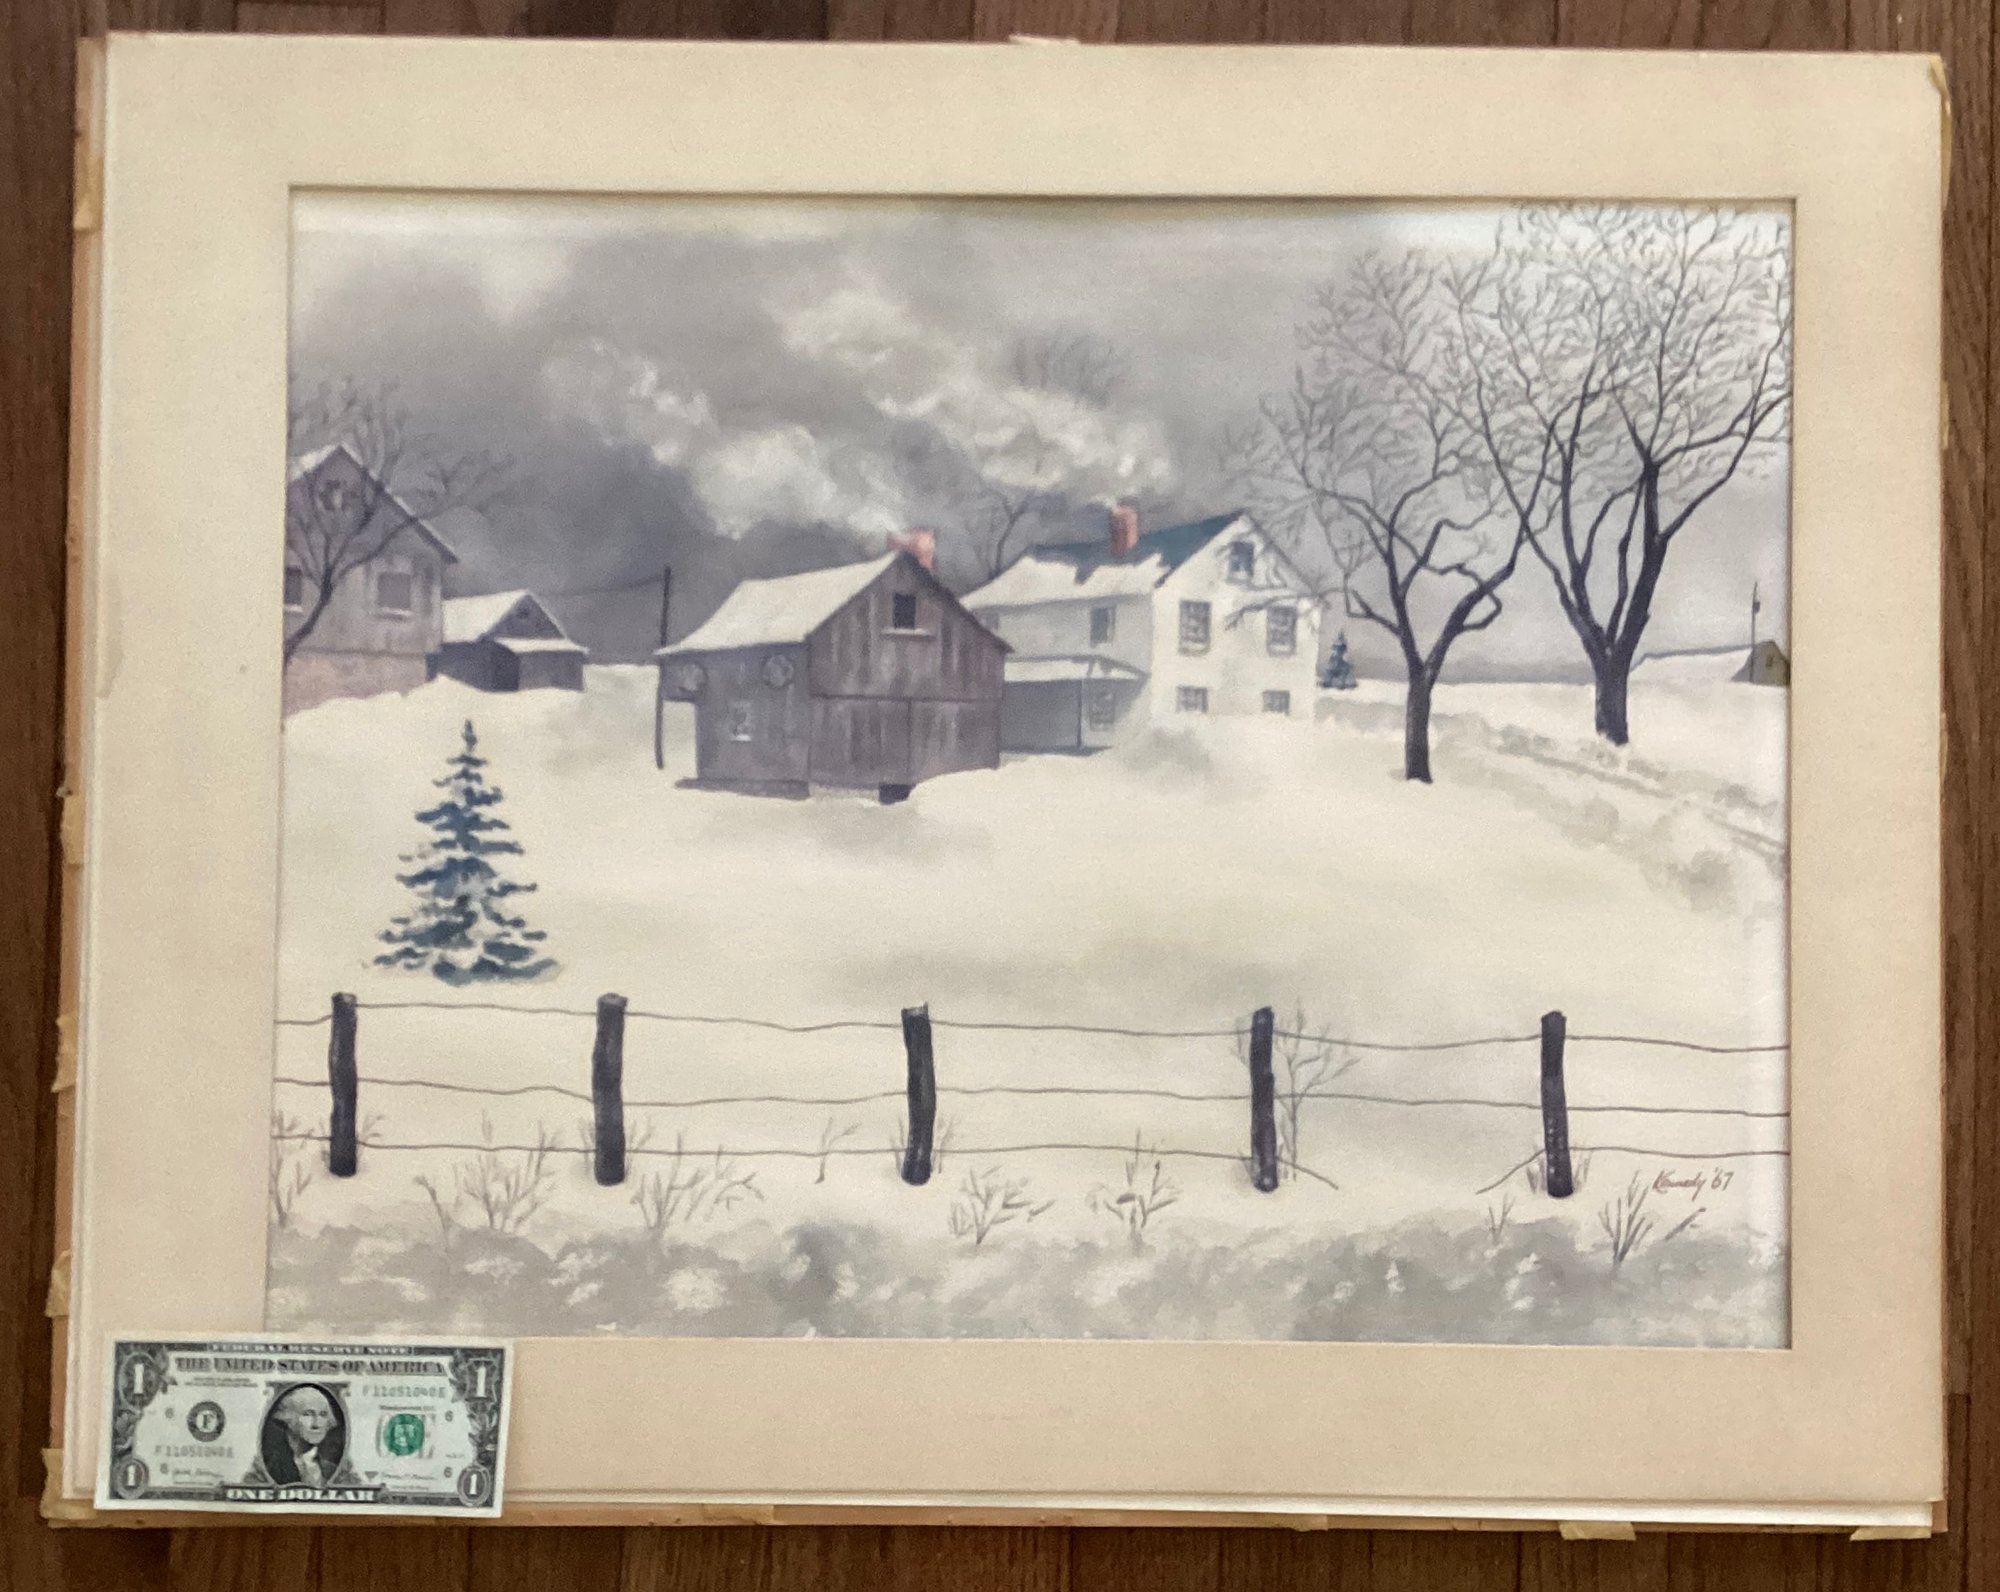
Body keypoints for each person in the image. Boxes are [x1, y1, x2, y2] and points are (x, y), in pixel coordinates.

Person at [258, 1384, 345, 1486]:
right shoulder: (271, 1467)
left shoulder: (332, 1470)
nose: (316, 1424)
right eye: (307, 1414)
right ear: (288, 1418)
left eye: (323, 1415)